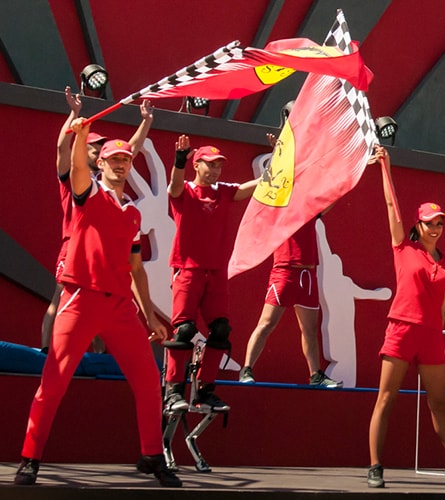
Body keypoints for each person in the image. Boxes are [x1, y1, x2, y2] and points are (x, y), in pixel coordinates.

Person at [14, 119, 180, 487]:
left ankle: (152, 455)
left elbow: (136, 267)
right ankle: (29, 459)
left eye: (125, 159)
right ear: (100, 164)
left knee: (148, 379)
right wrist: (81, 133)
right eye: (113, 159)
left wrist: (150, 314)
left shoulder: (133, 213)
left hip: (120, 307)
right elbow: (73, 165)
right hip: (80, 299)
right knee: (53, 383)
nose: (120, 164)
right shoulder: (87, 194)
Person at [365, 146, 445, 490]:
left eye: (440, 223)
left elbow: (441, 302)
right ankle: (375, 466)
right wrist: (385, 167)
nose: (436, 227)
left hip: (430, 335)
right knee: (386, 398)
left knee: (439, 402)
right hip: (401, 328)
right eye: (430, 223)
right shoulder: (404, 246)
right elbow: (391, 207)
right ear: (419, 224)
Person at [43, 90, 153, 354]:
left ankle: (98, 357)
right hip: (74, 245)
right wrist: (74, 115)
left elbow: (131, 151)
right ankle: (47, 351)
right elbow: (62, 147)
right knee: (61, 298)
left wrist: (146, 121)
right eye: (94, 145)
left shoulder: (107, 182)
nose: (97, 150)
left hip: (100, 250)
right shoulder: (73, 177)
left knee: (103, 304)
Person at [162, 136, 258, 413]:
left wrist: (280, 160)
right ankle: (174, 390)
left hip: (215, 272)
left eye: (219, 166)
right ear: (197, 165)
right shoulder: (186, 192)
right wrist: (179, 160)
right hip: (188, 268)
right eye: (210, 165)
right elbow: (174, 186)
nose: (216, 170)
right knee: (184, 331)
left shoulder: (223, 191)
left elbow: (248, 188)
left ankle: (205, 390)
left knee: (220, 330)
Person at [241, 134, 340, 388]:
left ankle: (315, 375)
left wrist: (354, 167)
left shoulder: (310, 208)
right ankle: (247, 369)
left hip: (308, 274)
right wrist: (279, 152)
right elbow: (277, 179)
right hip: (284, 271)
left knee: (310, 330)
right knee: (266, 323)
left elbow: (334, 194)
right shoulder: (278, 205)